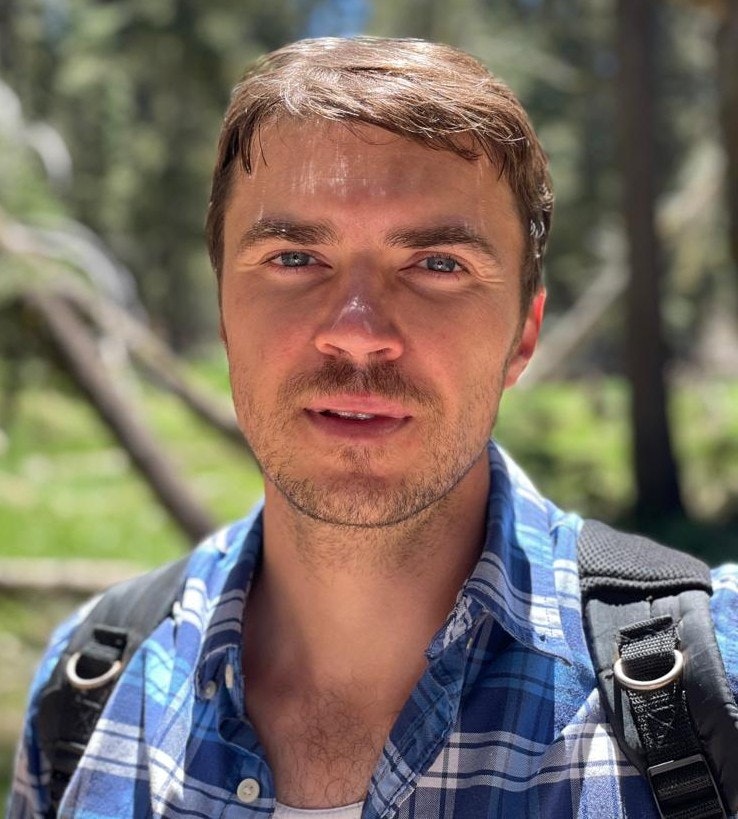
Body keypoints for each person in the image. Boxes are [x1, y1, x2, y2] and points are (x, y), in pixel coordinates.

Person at [9, 36, 738, 819]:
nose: (357, 332)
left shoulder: (714, 685)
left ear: (521, 336)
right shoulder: (90, 689)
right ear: (224, 313)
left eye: (436, 265)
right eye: (294, 258)